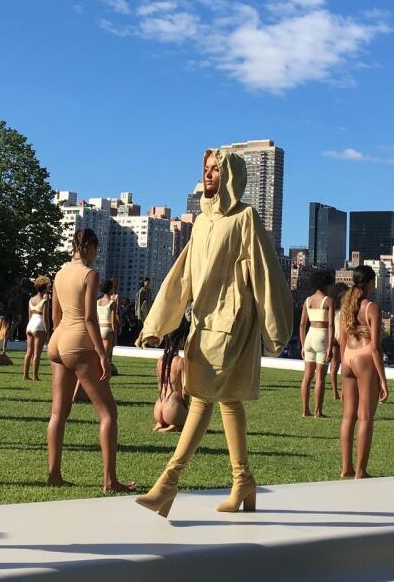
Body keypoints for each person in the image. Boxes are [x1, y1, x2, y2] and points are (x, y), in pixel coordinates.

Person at [136, 149, 292, 517]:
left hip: (233, 322)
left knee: (202, 396)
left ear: (231, 176)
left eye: (216, 170)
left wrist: (275, 329)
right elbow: (182, 276)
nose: (208, 175)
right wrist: (156, 324)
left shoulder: (245, 218)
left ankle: (167, 484)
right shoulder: (202, 223)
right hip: (203, 322)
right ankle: (244, 482)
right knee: (228, 399)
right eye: (205, 170)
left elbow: (266, 274)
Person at [45, 228, 135, 493]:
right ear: (88, 247)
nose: (97, 255)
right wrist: (102, 355)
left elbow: (55, 316)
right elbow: (89, 318)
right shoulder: (90, 274)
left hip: (58, 341)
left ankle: (54, 474)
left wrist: (62, 339)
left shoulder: (60, 274)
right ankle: (109, 480)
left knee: (58, 412)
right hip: (79, 341)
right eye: (96, 249)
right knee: (108, 413)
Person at [339, 264, 389, 479]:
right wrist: (383, 380)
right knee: (366, 417)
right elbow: (376, 347)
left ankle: (346, 468)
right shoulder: (371, 308)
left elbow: (342, 339)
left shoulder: (346, 305)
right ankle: (361, 470)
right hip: (365, 357)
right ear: (369, 282)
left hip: (348, 357)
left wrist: (342, 367)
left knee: (348, 416)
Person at [299, 269, 337, 418]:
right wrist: (330, 346)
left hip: (309, 336)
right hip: (322, 336)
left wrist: (302, 344)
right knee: (320, 377)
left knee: (307, 376)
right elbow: (331, 325)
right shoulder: (328, 301)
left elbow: (302, 324)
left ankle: (305, 410)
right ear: (326, 284)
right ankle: (318, 411)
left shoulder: (307, 300)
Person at [153, 320, 189, 432]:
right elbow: (184, 390)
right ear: (181, 341)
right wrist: (185, 407)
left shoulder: (160, 360)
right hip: (173, 408)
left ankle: (160, 423)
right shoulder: (180, 362)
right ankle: (174, 425)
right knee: (194, 414)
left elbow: (159, 386)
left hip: (159, 406)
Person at [24, 276, 51, 381]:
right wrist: (47, 331)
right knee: (37, 353)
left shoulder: (31, 299)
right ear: (44, 288)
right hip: (39, 325)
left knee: (29, 352)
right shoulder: (44, 301)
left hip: (30, 325)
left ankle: (25, 375)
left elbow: (29, 315)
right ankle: (35, 376)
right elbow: (45, 318)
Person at [96, 277, 119, 372]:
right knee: (106, 356)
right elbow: (113, 321)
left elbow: (96, 319)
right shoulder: (112, 303)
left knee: (99, 355)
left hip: (99, 328)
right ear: (110, 289)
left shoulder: (98, 302)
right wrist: (115, 335)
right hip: (108, 329)